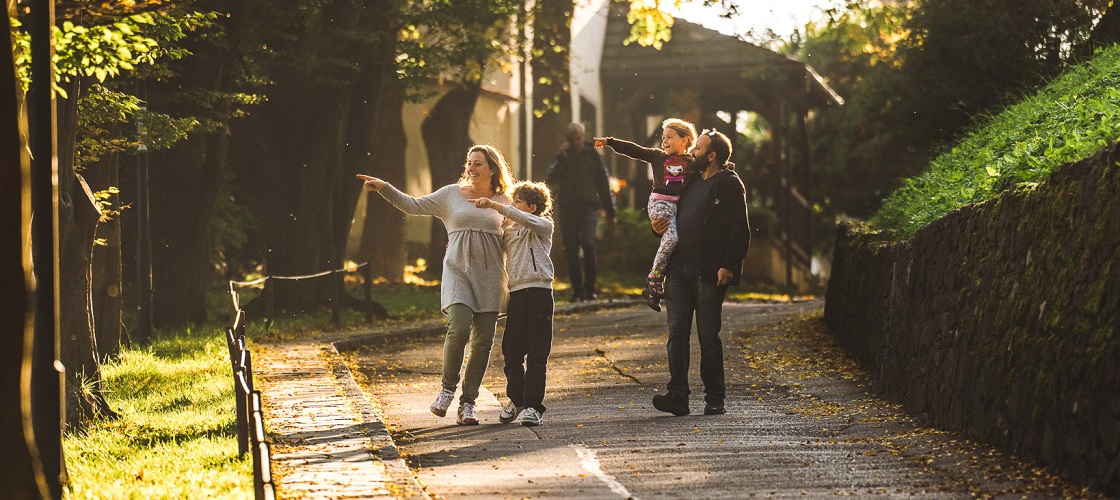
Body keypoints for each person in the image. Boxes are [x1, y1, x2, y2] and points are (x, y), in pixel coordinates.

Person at [356, 145, 514, 426]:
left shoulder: (504, 201)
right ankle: (447, 390)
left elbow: (520, 233)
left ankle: (468, 404)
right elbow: (413, 205)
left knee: (482, 343)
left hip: (490, 276)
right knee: (460, 328)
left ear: (492, 168)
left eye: (478, 163)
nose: (471, 168)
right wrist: (385, 188)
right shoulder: (450, 194)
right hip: (457, 272)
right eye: (469, 163)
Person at [648, 129, 749, 417]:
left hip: (709, 271)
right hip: (678, 269)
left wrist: (729, 265)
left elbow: (740, 229)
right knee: (676, 333)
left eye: (698, 149)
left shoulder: (728, 183)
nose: (692, 152)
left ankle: (714, 397)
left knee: (708, 335)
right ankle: (678, 395)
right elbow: (669, 212)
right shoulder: (690, 181)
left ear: (712, 155)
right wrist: (656, 228)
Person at [470, 181, 555, 427]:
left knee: (538, 353)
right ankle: (517, 400)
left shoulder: (543, 225)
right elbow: (490, 247)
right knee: (512, 352)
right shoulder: (509, 230)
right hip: (516, 295)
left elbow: (524, 219)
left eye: (517, 201)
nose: (512, 205)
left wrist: (497, 206)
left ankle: (533, 406)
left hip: (540, 292)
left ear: (532, 206)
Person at [594, 118, 697, 312]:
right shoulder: (658, 156)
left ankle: (657, 282)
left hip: (678, 206)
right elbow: (635, 150)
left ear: (685, 140)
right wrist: (610, 142)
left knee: (675, 238)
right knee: (672, 238)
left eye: (670, 137)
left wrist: (726, 167)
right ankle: (655, 276)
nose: (664, 141)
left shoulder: (693, 162)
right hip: (660, 203)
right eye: (663, 137)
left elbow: (711, 166)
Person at [544, 123, 616, 302]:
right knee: (571, 248)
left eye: (578, 137)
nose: (576, 141)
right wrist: (560, 158)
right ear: (567, 139)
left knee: (588, 243)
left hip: (589, 207)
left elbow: (603, 183)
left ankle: (590, 289)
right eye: (572, 138)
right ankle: (577, 291)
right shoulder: (563, 156)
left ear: (584, 136)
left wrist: (610, 211)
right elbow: (550, 178)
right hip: (567, 208)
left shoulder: (592, 155)